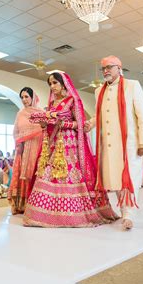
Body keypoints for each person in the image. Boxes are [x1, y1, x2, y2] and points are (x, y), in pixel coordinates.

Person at [24, 72, 118, 228]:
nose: (52, 87)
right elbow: (49, 125)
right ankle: (45, 215)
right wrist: (43, 124)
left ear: (63, 83)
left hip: (70, 145)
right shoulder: (53, 104)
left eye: (54, 82)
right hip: (54, 145)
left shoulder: (72, 101)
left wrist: (65, 124)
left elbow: (80, 124)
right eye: (50, 84)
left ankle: (73, 214)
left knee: (69, 175)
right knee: (48, 174)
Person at [85, 55, 143, 230]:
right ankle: (123, 211)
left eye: (110, 67)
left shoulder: (132, 85)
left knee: (129, 179)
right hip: (107, 145)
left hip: (129, 145)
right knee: (114, 181)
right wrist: (90, 124)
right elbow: (98, 114)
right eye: (103, 68)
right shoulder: (99, 91)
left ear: (119, 69)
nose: (106, 71)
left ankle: (128, 215)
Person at [8, 87, 43, 214]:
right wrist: (19, 143)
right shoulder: (20, 113)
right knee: (24, 173)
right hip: (23, 148)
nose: (24, 100)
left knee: (33, 172)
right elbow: (16, 132)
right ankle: (22, 205)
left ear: (33, 97)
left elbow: (45, 130)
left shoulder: (40, 112)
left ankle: (35, 205)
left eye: (26, 97)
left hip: (37, 147)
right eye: (22, 97)